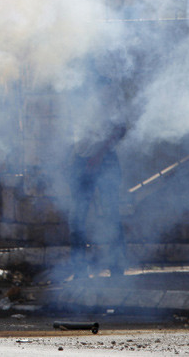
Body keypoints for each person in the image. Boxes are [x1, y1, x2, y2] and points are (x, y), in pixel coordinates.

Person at [66, 66, 128, 279]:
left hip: (104, 161)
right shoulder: (77, 95)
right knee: (77, 218)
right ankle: (79, 271)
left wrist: (98, 155)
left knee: (111, 215)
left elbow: (120, 129)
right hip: (81, 160)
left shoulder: (109, 92)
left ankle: (117, 268)